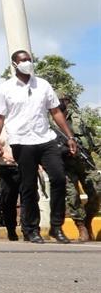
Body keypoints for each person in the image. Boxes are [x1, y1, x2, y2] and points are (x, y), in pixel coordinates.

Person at [0, 50, 78, 244]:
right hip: (21, 141)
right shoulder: (5, 88)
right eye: (23, 60)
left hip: (45, 138)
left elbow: (55, 111)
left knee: (58, 178)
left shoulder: (43, 85)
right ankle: (31, 229)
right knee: (28, 186)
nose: (27, 63)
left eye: (29, 59)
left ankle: (56, 226)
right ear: (14, 64)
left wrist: (69, 137)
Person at [57, 95, 99, 242]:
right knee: (72, 196)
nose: (61, 102)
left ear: (68, 102)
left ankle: (88, 220)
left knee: (97, 191)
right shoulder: (49, 121)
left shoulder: (78, 118)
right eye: (58, 100)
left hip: (84, 161)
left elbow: (91, 139)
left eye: (63, 100)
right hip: (65, 164)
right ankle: (81, 226)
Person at [0, 125, 20, 240]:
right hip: (7, 168)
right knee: (8, 201)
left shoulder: (23, 123)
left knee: (29, 198)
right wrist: (9, 157)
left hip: (24, 166)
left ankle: (29, 230)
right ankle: (11, 231)